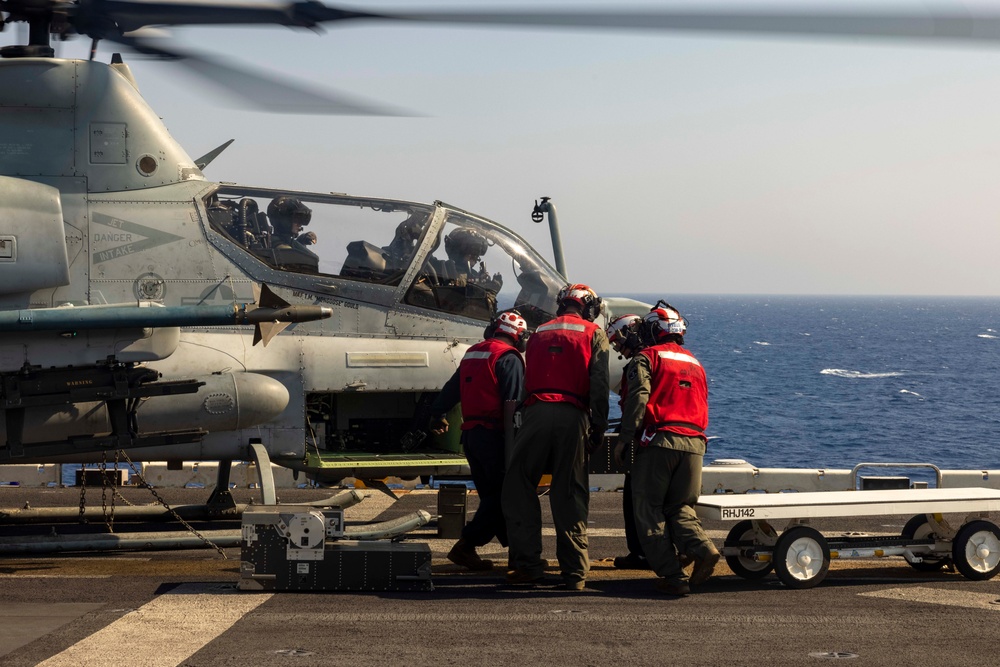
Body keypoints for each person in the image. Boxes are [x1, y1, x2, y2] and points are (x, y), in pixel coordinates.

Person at [502, 283, 609, 591]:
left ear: (563, 304)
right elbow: (599, 382)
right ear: (588, 307)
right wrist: (598, 426)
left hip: (535, 411)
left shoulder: (539, 332)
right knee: (569, 492)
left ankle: (526, 565)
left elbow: (527, 377)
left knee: (519, 484)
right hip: (572, 414)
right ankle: (575, 573)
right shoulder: (593, 333)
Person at [614, 302, 720, 596]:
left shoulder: (646, 358)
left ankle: (673, 575)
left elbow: (638, 398)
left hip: (660, 441)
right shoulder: (696, 363)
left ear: (652, 330)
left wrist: (624, 439)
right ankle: (704, 548)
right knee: (681, 507)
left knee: (648, 510)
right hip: (696, 443)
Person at [428, 310, 529, 571]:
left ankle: (516, 553)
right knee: (503, 496)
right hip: (495, 435)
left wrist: (437, 414)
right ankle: (467, 545)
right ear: (518, 337)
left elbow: (451, 390)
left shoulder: (473, 353)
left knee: (491, 496)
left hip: (471, 437)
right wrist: (519, 441)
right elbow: (514, 403)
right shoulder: (508, 358)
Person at [605, 314, 650, 570]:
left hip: (644, 440)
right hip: (666, 436)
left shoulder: (641, 362)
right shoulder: (661, 357)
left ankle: (643, 554)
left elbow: (638, 401)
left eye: (618, 342)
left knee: (635, 498)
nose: (618, 349)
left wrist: (623, 439)